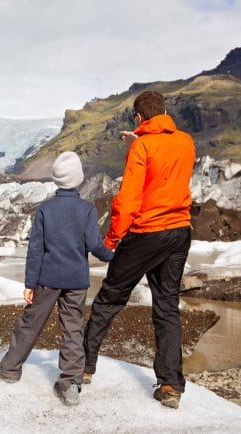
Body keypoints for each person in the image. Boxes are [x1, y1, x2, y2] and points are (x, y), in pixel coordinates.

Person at [82, 90, 196, 409]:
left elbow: (129, 199)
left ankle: (83, 366)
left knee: (109, 298)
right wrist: (142, 135)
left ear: (138, 117)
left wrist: (112, 238)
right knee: (166, 306)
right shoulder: (185, 141)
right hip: (179, 231)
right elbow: (167, 160)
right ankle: (171, 385)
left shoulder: (141, 146)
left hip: (147, 232)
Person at [0, 151, 114, 406]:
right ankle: (70, 384)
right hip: (77, 281)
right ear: (79, 179)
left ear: (56, 179)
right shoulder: (87, 210)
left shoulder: (45, 209)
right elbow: (94, 245)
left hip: (48, 278)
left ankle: (10, 369)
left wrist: (29, 284)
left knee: (31, 323)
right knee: (72, 330)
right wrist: (114, 256)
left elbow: (35, 249)